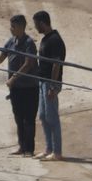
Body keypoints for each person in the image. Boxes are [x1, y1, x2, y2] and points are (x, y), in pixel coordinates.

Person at [0, 14, 39, 156]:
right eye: (11, 26)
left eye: (13, 26)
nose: (11, 29)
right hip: (16, 88)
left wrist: (14, 78)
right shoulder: (11, 42)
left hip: (29, 87)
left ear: (21, 27)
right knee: (18, 118)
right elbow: (0, 58)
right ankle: (21, 147)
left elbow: (28, 64)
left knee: (28, 119)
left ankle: (29, 149)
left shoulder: (29, 43)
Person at [33, 11, 66, 161]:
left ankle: (57, 152)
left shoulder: (55, 40)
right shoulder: (46, 39)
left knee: (52, 117)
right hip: (42, 81)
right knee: (43, 115)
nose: (35, 28)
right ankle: (48, 149)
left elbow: (56, 64)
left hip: (50, 83)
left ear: (42, 23)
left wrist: (52, 86)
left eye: (36, 24)